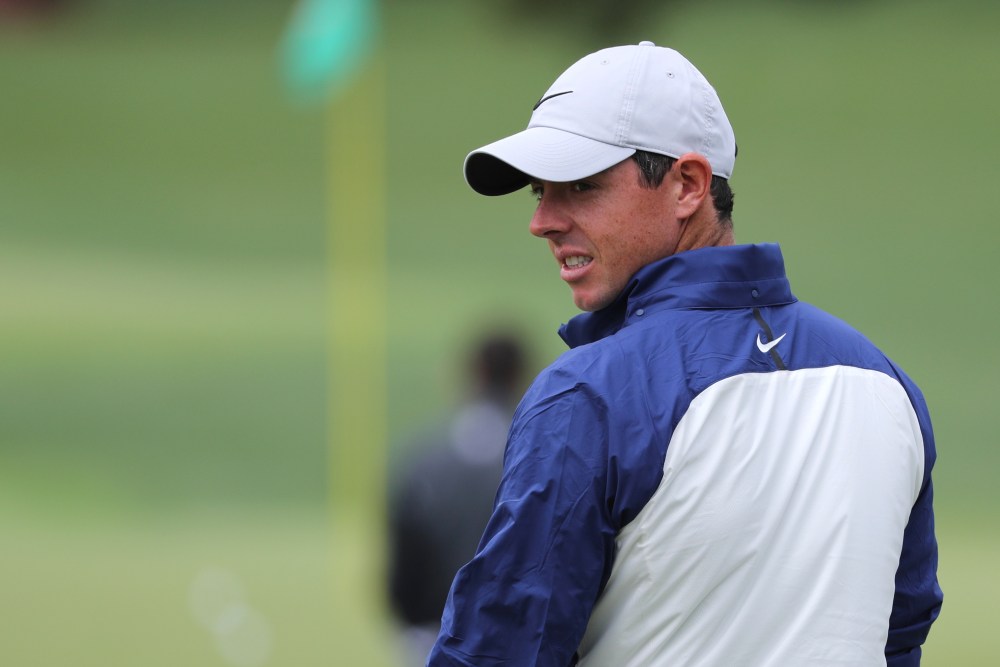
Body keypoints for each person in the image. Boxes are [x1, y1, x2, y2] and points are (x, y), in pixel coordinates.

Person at [427, 41, 942, 666]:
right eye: (540, 192)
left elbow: (501, 650)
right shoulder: (885, 383)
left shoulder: (588, 395)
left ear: (688, 186)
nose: (543, 221)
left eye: (581, 186)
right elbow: (900, 634)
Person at [387, 332, 530, 666]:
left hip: (434, 636)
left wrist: (412, 623)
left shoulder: (425, 456)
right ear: (520, 375)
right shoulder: (537, 454)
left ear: (476, 372)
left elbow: (403, 561)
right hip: (516, 637)